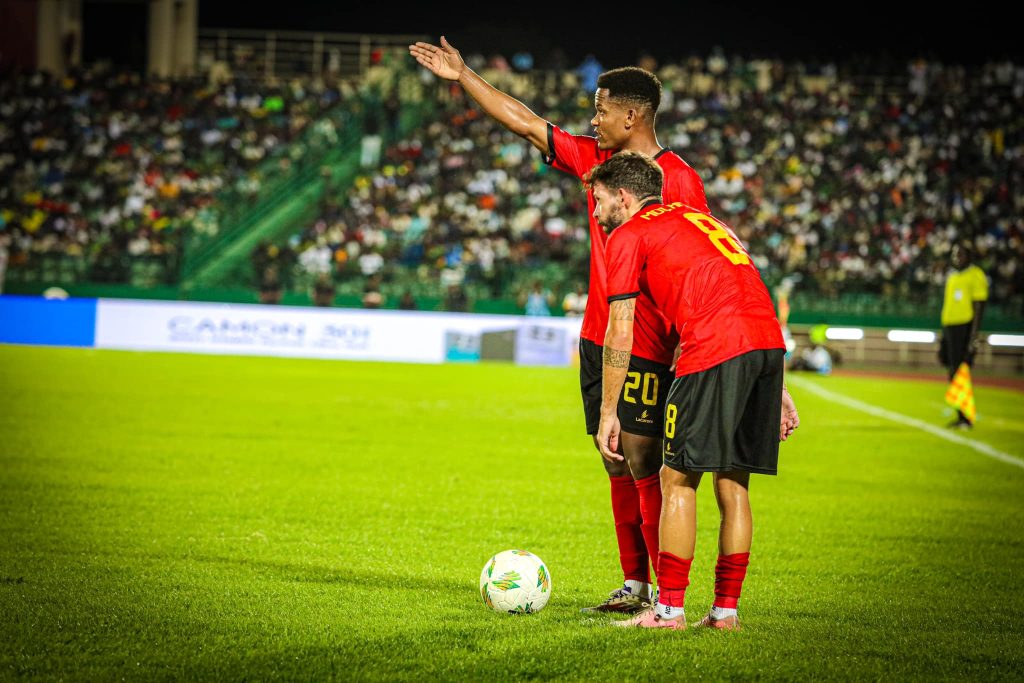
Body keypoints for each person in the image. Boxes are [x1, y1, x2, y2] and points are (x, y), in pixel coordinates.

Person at [410, 37, 709, 612]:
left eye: (600, 110)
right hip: (598, 338)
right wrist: (464, 74)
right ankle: (635, 585)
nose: (592, 120)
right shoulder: (593, 161)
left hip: (647, 342)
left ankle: (664, 599)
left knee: (646, 459)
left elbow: (700, 264)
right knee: (614, 456)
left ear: (632, 114)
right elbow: (522, 121)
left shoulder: (680, 180)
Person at [589, 152, 799, 630]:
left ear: (623, 196)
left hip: (713, 347)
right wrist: (778, 384)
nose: (596, 212)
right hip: (766, 346)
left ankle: (669, 610)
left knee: (676, 478)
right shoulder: (703, 220)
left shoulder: (631, 233)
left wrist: (609, 412)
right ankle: (725, 611)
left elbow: (620, 330)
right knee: (734, 485)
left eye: (599, 200)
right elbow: (745, 289)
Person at [940, 242, 988, 429]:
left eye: (960, 254)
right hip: (950, 327)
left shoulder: (976, 275)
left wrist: (973, 336)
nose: (956, 258)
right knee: (952, 370)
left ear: (969, 256)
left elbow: (979, 307)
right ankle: (961, 414)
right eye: (954, 254)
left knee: (960, 372)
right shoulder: (953, 276)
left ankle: (965, 417)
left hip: (964, 328)